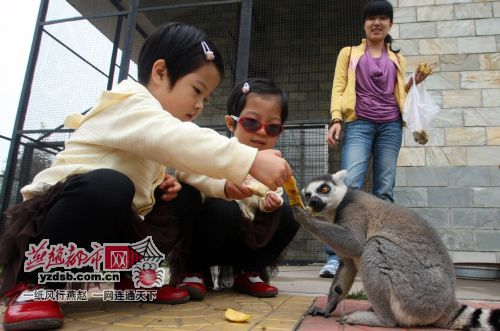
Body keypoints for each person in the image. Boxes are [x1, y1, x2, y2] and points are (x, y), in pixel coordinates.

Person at [0, 23, 292, 331]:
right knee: (111, 186)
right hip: (58, 226)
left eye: (205, 97)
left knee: (185, 195)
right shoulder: (129, 101)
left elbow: (190, 165)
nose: (199, 105)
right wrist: (249, 160)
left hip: (113, 231)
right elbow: (176, 140)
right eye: (196, 90)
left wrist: (223, 186)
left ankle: (133, 279)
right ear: (160, 72)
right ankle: (33, 286)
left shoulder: (159, 123)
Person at [322, 0, 430, 276]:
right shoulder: (349, 53)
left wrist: (413, 81)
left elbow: (398, 94)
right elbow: (338, 86)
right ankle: (337, 257)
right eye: (372, 18)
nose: (377, 23)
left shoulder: (398, 58)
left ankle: (382, 256)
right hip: (358, 123)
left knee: (384, 190)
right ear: (364, 23)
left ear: (390, 24)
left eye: (383, 18)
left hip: (390, 126)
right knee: (350, 185)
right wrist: (336, 119)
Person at [170, 78, 299, 299]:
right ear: (231, 124)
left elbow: (270, 195)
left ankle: (249, 271)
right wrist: (223, 187)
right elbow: (185, 172)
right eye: (251, 123)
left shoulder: (270, 163)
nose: (261, 132)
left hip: (244, 241)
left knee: (289, 215)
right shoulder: (218, 150)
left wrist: (269, 204)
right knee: (223, 208)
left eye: (272, 127)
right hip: (208, 237)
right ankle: (193, 271)